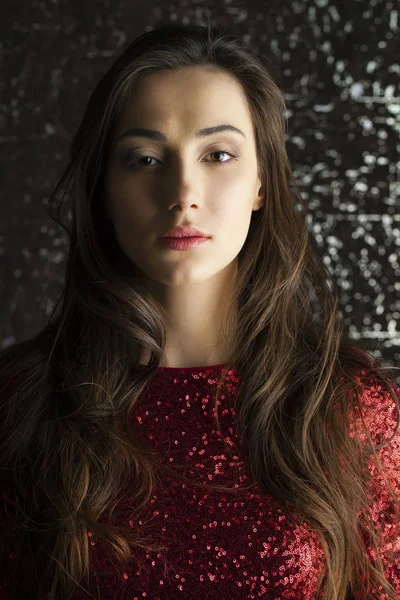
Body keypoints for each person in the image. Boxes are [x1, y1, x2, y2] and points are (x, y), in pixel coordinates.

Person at [0, 21, 399, 600]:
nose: (183, 190)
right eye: (143, 159)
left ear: (262, 182)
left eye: (217, 154)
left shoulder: (350, 407)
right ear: (105, 190)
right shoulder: (23, 406)